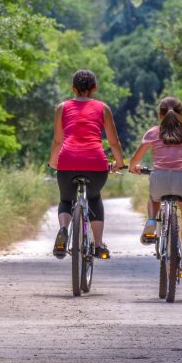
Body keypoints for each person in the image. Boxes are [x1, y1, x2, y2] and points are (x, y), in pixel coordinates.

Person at [128, 96, 182, 278]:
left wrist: (134, 168)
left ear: (160, 114)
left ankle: (151, 220)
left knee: (154, 197)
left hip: (159, 177)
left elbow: (135, 159)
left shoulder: (152, 132)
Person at [49, 69, 126, 260]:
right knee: (94, 198)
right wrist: (119, 163)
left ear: (73, 88)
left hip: (67, 162)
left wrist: (53, 162)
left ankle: (64, 230)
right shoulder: (103, 108)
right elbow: (114, 141)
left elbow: (58, 141)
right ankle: (98, 244)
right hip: (95, 163)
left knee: (66, 200)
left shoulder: (62, 107)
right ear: (95, 89)